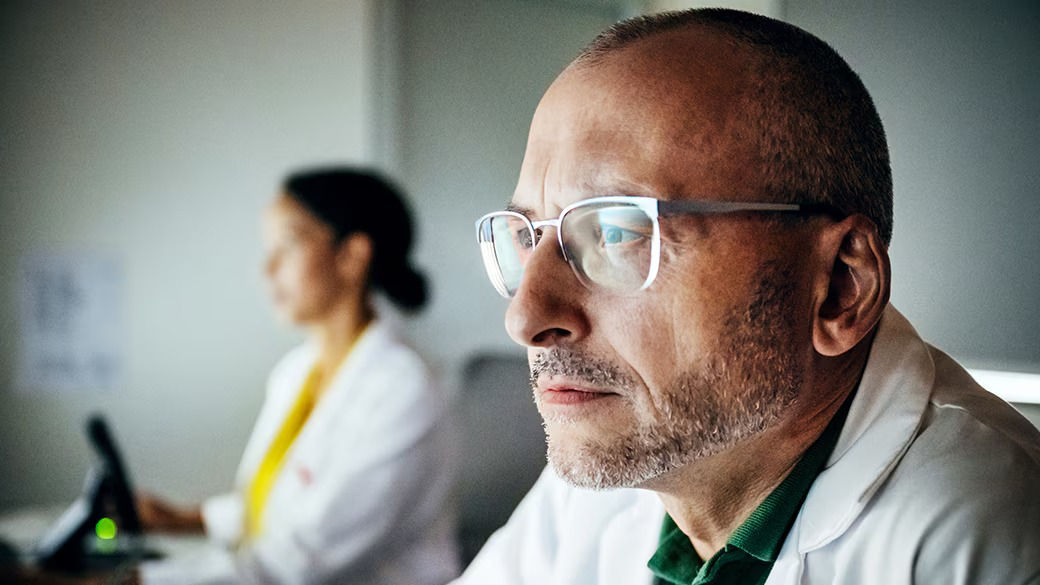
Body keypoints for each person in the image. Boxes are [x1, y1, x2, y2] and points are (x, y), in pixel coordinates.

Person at [459, 8, 1040, 585]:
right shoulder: (613, 466)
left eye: (617, 232)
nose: (525, 316)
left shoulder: (988, 536)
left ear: (840, 286)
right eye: (527, 236)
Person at [136, 168, 459, 584]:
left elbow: (297, 562)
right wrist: (183, 518)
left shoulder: (405, 390)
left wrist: (132, 581)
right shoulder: (296, 372)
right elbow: (284, 506)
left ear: (352, 256)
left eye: (287, 245)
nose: (267, 268)